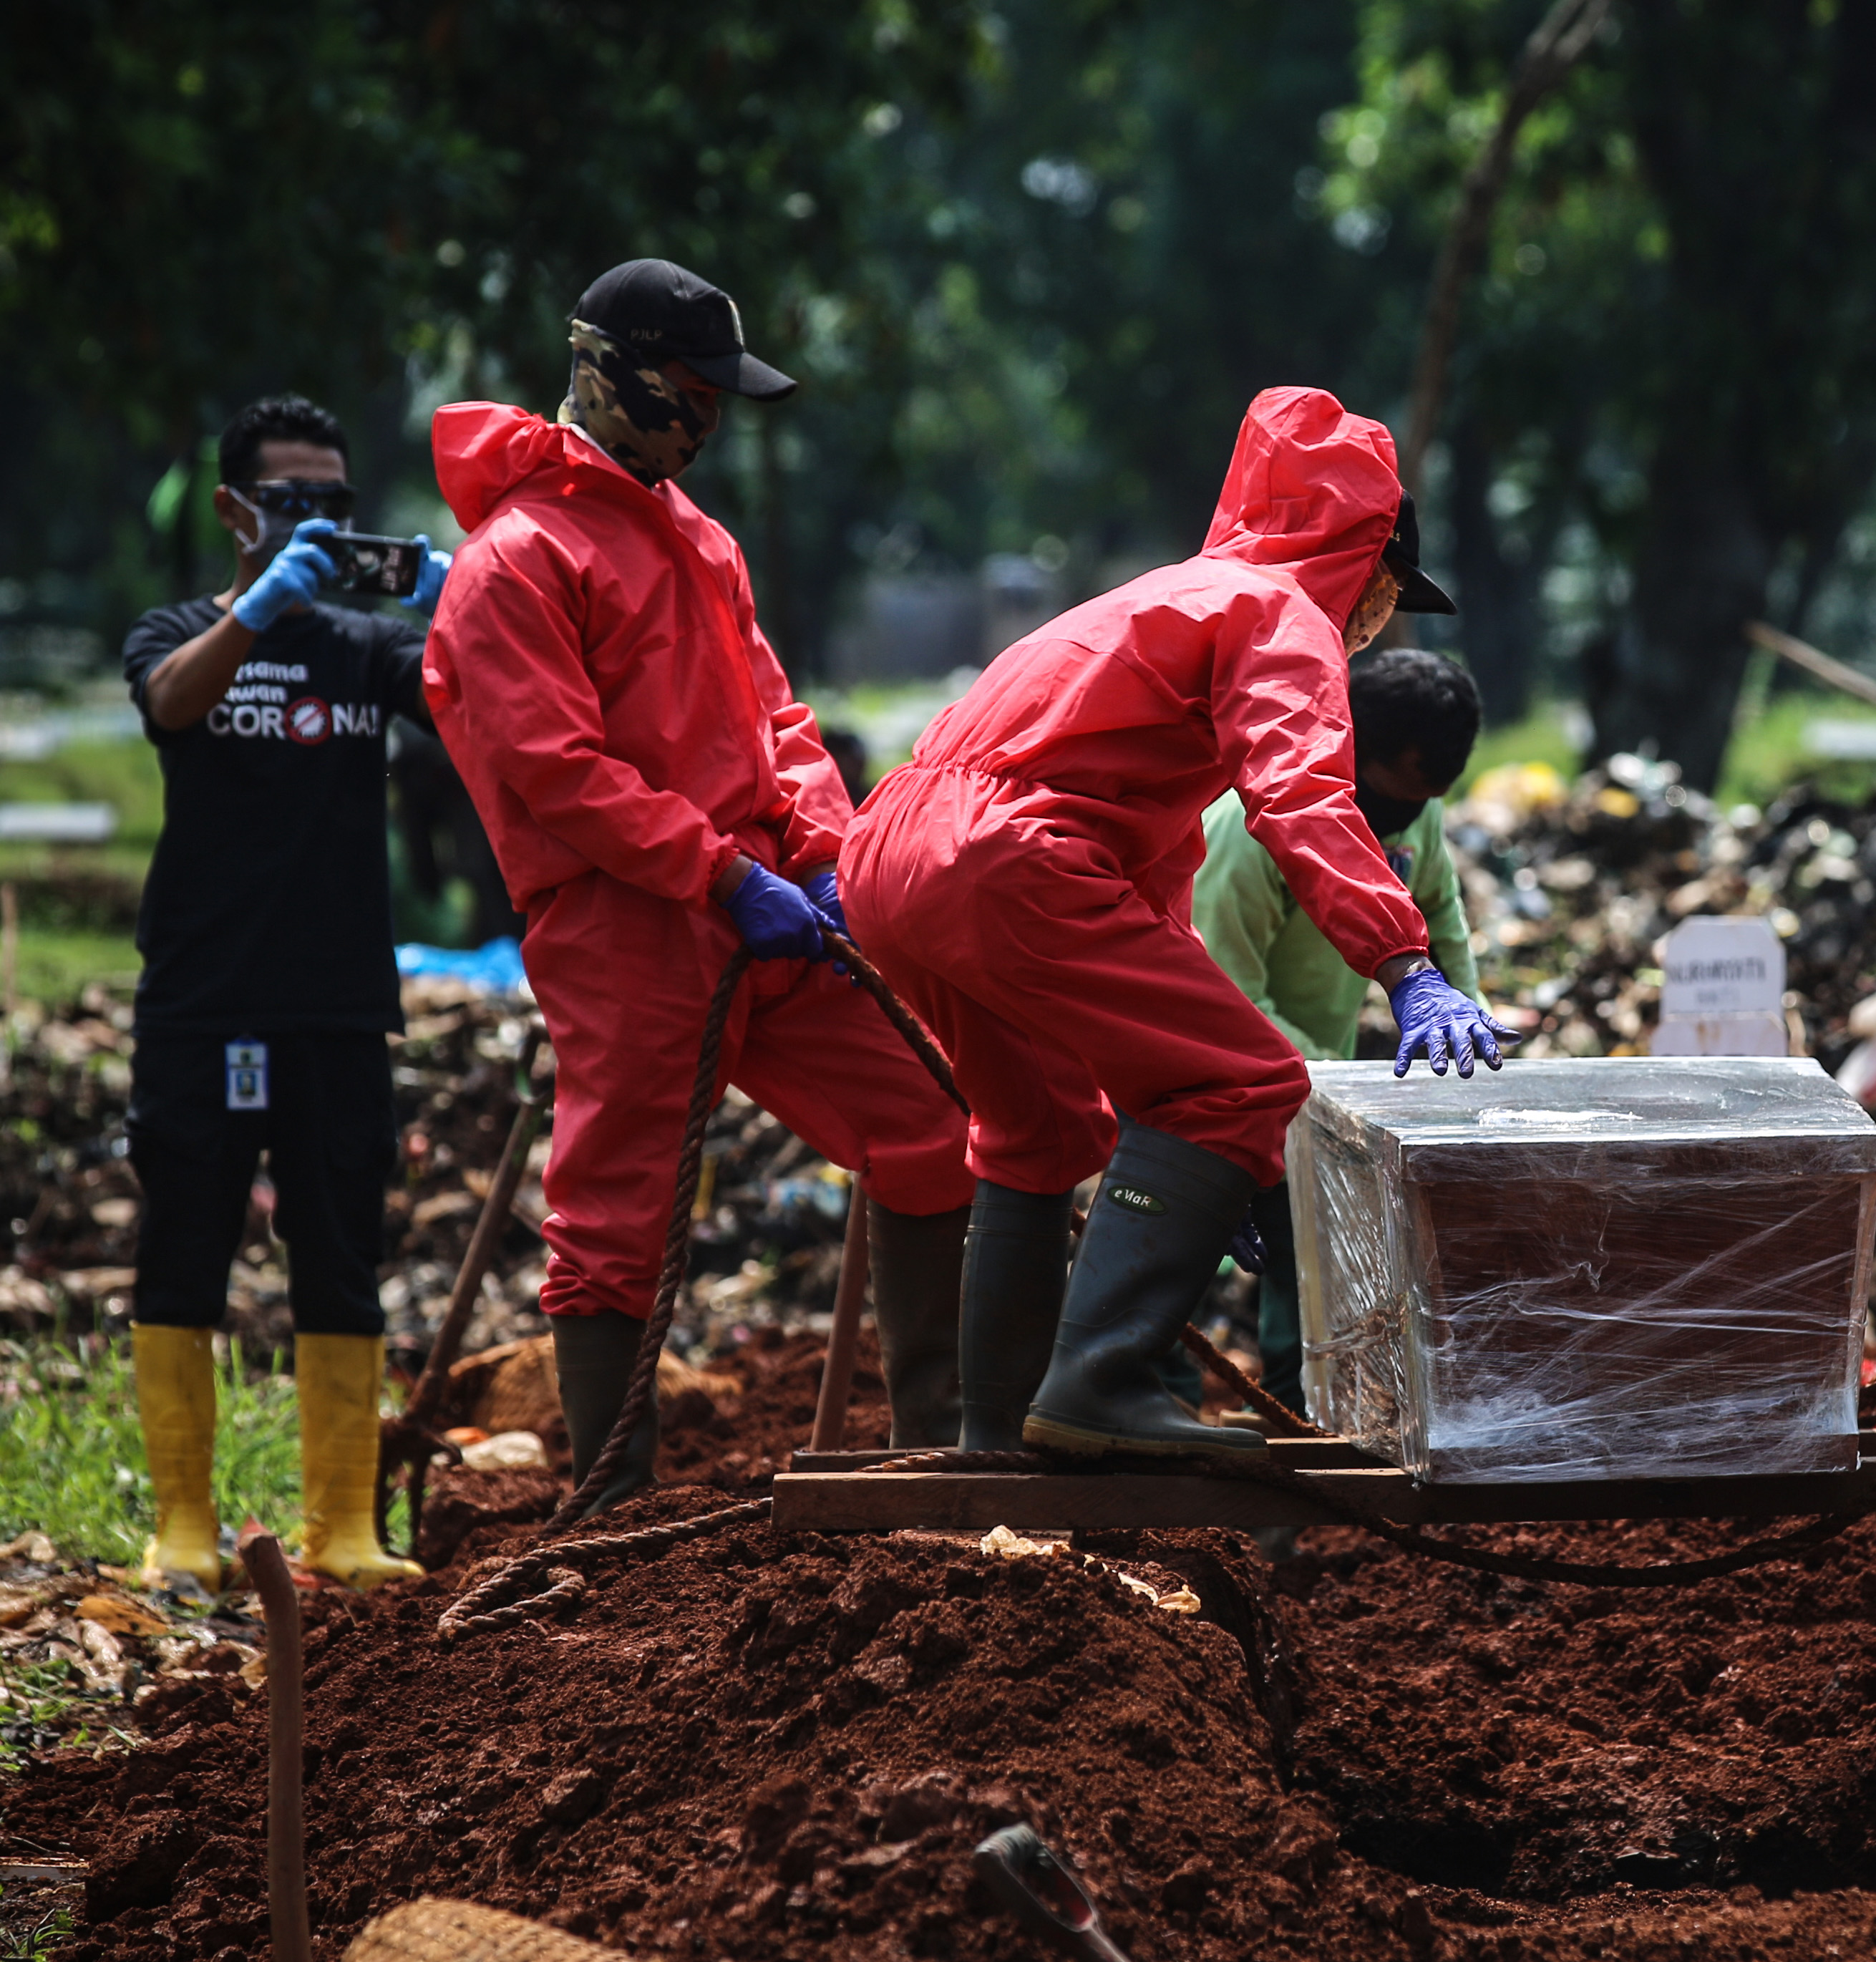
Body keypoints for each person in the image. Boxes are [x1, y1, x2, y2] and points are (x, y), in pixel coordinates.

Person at [841, 387, 1514, 1460]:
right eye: (1391, 592)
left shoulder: (1169, 595)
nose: (1382, 619)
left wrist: (1202, 1151)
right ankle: (1099, 1384)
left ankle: (996, 1436)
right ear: (1365, 558)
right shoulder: (1279, 614)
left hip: (896, 853)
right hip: (1005, 860)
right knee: (1250, 1079)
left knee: (1039, 1134)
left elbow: (1149, 894)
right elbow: (1299, 794)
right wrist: (1404, 963)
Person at [423, 259, 975, 1510]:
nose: (712, 418)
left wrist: (823, 848)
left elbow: (778, 714)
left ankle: (949, 1437)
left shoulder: (697, 536)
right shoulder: (515, 561)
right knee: (618, 1210)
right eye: (692, 390)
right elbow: (559, 772)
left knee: (933, 1126)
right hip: (627, 923)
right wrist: (715, 873)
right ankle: (613, 1495)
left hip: (768, 903)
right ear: (608, 374)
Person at [122, 393, 452, 1591]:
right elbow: (171, 703)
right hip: (201, 1002)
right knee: (184, 1250)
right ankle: (184, 1529)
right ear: (236, 509)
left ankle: (344, 1530)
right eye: (294, 500)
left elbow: (479, 718)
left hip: (338, 1005)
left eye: (335, 504)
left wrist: (462, 603)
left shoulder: (368, 653)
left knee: (342, 1256)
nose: (317, 520)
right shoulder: (173, 632)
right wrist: (260, 613)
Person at [1187, 644, 1486, 1417]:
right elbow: (1223, 996)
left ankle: (1300, 1490)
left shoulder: (1416, 814)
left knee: (1312, 1306)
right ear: (1346, 751)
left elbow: (1437, 915)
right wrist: (1337, 1083)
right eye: (1390, 804)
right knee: (1169, 1297)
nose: (1401, 825)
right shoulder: (1245, 836)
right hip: (1212, 1084)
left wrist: (1466, 1022)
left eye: (1420, 806)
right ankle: (1158, 1495)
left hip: (1312, 1092)